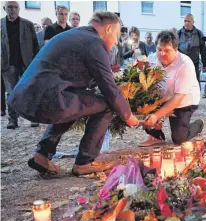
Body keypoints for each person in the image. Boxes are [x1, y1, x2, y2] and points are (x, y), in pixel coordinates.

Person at [7, 11, 139, 175]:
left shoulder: (77, 35)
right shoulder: (94, 43)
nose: (115, 42)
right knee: (107, 105)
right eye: (117, 35)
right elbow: (110, 89)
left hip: (27, 97)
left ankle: (42, 154)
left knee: (77, 102)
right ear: (109, 29)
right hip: (45, 98)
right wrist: (128, 116)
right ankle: (85, 161)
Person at [139, 31, 203, 147]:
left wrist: (156, 115)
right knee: (142, 108)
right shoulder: (151, 60)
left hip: (183, 101)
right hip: (161, 97)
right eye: (159, 49)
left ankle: (199, 125)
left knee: (179, 139)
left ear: (176, 49)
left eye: (167, 50)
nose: (162, 54)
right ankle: (156, 136)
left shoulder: (185, 64)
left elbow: (178, 97)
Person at [1, 1, 40, 129]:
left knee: (30, 91)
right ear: (4, 8)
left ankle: (33, 118)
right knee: (11, 93)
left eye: (15, 7)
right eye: (10, 7)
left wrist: (36, 63)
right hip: (8, 64)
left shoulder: (28, 24)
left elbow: (35, 44)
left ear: (19, 9)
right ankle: (12, 120)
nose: (13, 10)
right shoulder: (0, 24)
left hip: (27, 64)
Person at [177, 14, 206, 84]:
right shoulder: (179, 33)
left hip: (194, 64)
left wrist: (205, 64)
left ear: (193, 22)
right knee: (181, 83)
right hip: (181, 64)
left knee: (195, 83)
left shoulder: (199, 34)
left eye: (188, 21)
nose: (186, 23)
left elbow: (203, 50)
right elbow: (174, 50)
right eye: (185, 21)